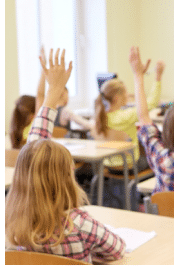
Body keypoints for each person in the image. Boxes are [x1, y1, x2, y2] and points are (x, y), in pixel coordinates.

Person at [5, 48, 126, 264]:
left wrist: (53, 91)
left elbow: (34, 149)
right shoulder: (80, 224)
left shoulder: (13, 222)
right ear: (65, 178)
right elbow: (117, 250)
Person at [69, 57, 164, 175]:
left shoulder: (99, 117)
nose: (128, 95)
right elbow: (152, 103)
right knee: (154, 160)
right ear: (117, 98)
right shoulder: (126, 116)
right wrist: (158, 76)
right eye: (126, 93)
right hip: (129, 165)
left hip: (107, 165)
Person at [129, 46, 174, 194]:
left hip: (165, 218)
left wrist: (138, 76)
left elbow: (143, 117)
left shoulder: (161, 158)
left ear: (167, 131)